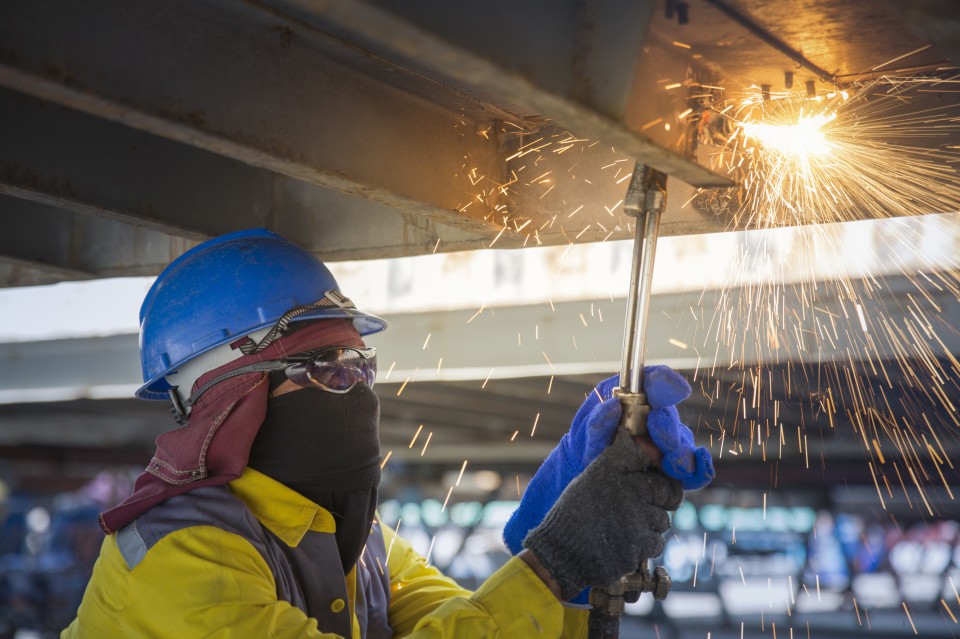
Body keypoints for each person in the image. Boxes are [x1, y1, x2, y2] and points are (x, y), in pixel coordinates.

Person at [62, 229, 714, 638]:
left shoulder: (359, 542)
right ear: (228, 396)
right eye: (325, 367)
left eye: (360, 364)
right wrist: (554, 563)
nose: (359, 389)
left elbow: (472, 628)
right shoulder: (179, 559)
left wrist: (566, 530)